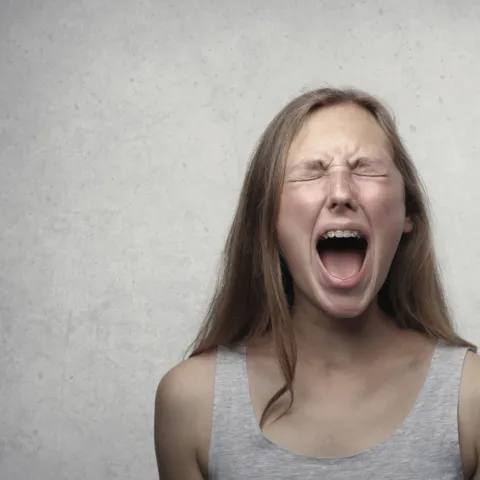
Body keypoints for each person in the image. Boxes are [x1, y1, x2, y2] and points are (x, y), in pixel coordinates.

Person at [154, 87, 480, 479]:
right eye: (312, 171)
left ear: (407, 213)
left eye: (365, 167)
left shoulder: (470, 398)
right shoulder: (192, 402)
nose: (341, 193)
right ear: (267, 220)